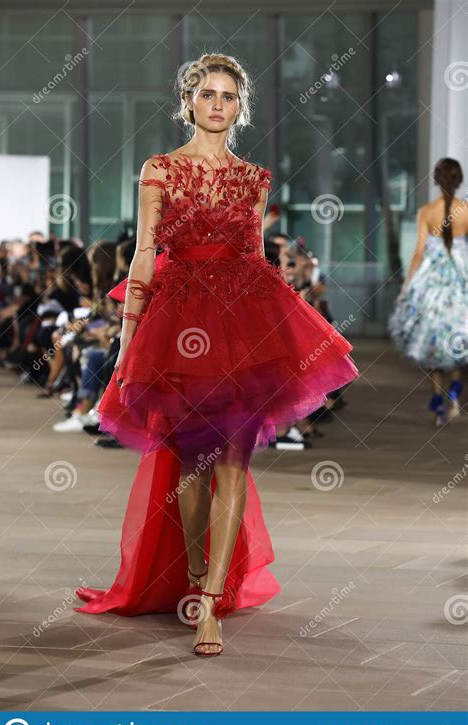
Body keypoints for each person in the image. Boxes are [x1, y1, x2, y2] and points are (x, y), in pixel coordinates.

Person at [74, 53, 359, 657]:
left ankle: (207, 608)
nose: (218, 105)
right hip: (176, 328)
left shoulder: (253, 179)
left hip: (241, 326)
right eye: (208, 94)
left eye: (229, 96)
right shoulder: (160, 170)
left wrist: (285, 326)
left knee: (232, 462)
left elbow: (255, 259)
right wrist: (127, 342)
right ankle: (200, 575)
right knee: (192, 468)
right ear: (189, 101)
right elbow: (146, 256)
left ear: (240, 107)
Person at [389, 158, 467, 427]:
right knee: (457, 340)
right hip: (460, 281)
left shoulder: (426, 211)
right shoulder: (465, 210)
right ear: (458, 181)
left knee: (431, 343)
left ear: (436, 179)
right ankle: (455, 394)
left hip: (431, 284)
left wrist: (406, 288)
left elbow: (418, 254)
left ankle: (438, 403)